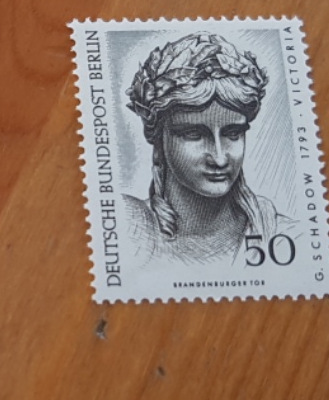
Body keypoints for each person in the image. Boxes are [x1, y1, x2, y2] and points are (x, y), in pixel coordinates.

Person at [124, 31, 299, 266]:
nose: (219, 158)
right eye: (194, 134)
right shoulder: (126, 228)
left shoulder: (288, 236)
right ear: (159, 142)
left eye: (232, 133)